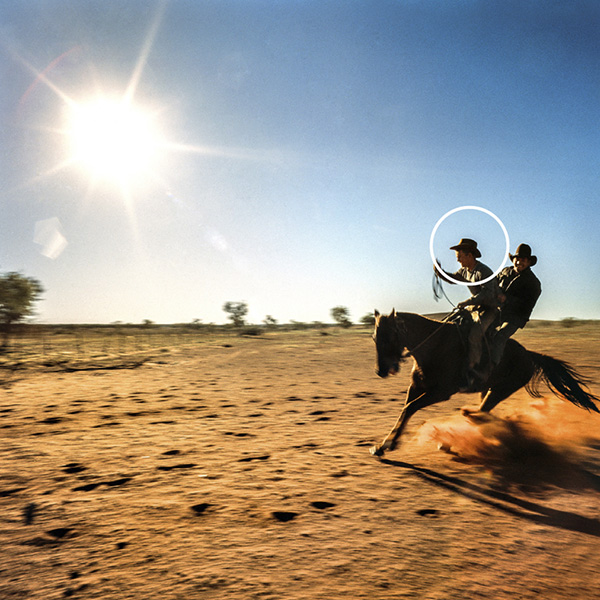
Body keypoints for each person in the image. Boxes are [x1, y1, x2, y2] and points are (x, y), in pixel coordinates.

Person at [436, 238, 499, 387]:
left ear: (469, 256)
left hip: (489, 309)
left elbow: (488, 294)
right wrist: (439, 272)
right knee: (452, 322)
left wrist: (468, 302)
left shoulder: (484, 271)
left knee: (475, 334)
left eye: (459, 258)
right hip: (475, 307)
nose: (458, 261)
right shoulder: (465, 271)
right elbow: (453, 278)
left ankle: (473, 369)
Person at [490, 243, 541, 365]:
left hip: (515, 317)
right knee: (480, 328)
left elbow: (527, 305)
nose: (519, 262)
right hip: (498, 311)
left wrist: (506, 299)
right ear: (513, 260)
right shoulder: (505, 271)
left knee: (500, 337)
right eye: (517, 259)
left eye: (523, 260)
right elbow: (493, 284)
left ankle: (491, 368)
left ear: (529, 262)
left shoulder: (533, 283)